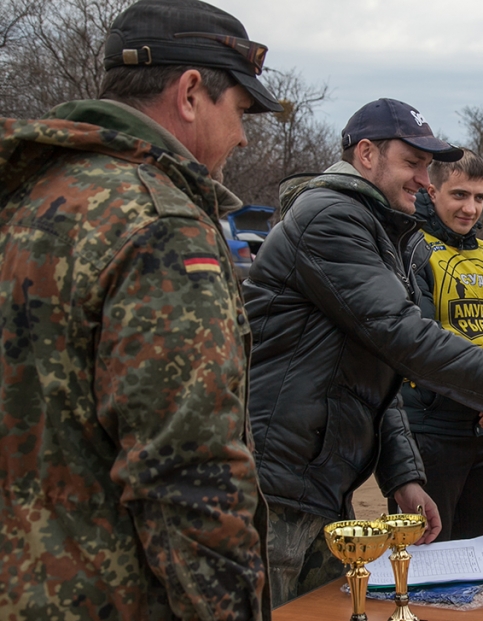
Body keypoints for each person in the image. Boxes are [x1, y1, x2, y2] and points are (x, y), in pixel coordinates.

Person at [243, 99, 483, 604]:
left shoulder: (375, 228)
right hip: (278, 486)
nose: (424, 180)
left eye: (428, 166)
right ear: (366, 154)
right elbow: (406, 338)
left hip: (316, 481)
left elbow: (373, 367)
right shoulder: (331, 220)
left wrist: (403, 476)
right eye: (413, 163)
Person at [0, 0, 282, 617]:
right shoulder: (162, 226)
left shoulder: (30, 197)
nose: (240, 135)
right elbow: (188, 474)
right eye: (238, 111)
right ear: (189, 94)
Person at [384, 150, 483, 543]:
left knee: (478, 552)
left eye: (479, 198)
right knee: (425, 554)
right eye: (459, 195)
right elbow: (421, 344)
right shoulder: (410, 248)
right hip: (431, 430)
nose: (470, 209)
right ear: (432, 192)